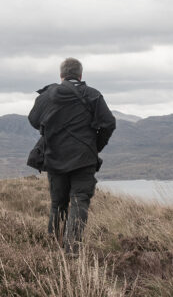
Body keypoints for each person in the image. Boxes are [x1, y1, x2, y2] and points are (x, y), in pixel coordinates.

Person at [28, 57, 116, 255]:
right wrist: (95, 145)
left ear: (61, 76)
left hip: (55, 157)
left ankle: (54, 248)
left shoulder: (48, 95)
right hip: (84, 159)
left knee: (58, 203)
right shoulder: (92, 95)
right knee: (79, 201)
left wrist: (51, 129)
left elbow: (34, 119)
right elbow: (109, 123)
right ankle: (72, 250)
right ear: (80, 75)